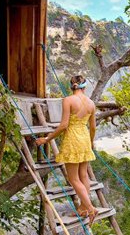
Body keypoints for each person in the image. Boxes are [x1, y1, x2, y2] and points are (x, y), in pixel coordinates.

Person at [35, 75, 98, 222]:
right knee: (84, 175)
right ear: (85, 87)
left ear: (71, 86)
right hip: (84, 139)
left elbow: (63, 126)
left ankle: (90, 208)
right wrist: (91, 142)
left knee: (73, 178)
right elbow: (93, 127)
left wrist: (47, 139)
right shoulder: (91, 103)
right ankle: (83, 208)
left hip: (72, 139)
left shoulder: (68, 100)